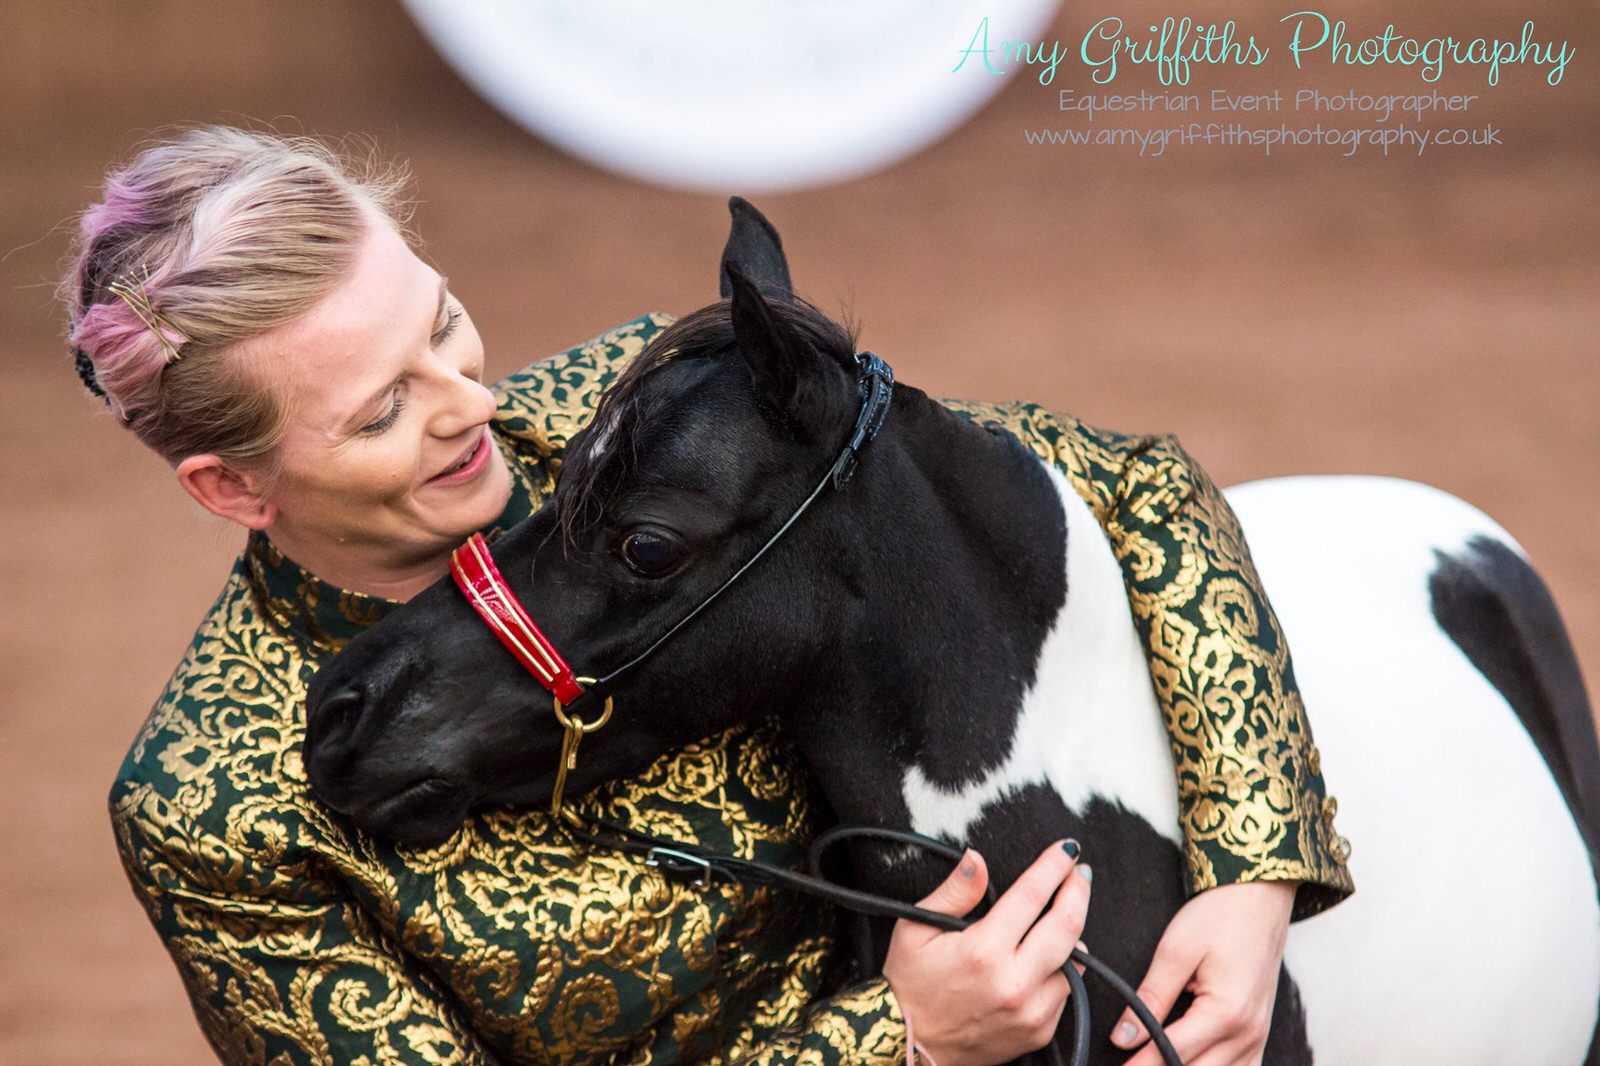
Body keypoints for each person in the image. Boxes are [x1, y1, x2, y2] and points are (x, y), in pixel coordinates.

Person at [70, 126, 1351, 1066]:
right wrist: (889, 1039)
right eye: (384, 408)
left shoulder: (630, 415)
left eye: (443, 326)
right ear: (231, 488)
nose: (476, 406)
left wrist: (1255, 866)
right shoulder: (212, 813)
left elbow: (1129, 487)